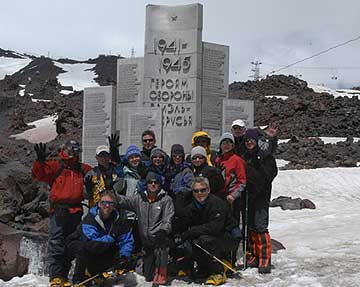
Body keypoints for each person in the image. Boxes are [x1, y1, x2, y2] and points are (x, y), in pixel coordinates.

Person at [32, 140, 92, 287]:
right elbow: (38, 175)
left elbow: (97, 174)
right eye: (70, 149)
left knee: (71, 243)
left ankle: (64, 275)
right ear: (64, 149)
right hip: (58, 210)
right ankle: (55, 276)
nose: (73, 153)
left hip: (76, 210)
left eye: (76, 150)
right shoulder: (56, 166)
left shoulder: (82, 168)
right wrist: (40, 161)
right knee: (56, 242)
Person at [175, 177, 239, 286]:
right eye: (196, 191)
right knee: (191, 241)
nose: (200, 193)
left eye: (203, 190)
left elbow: (214, 228)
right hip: (207, 237)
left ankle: (218, 272)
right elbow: (184, 223)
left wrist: (193, 231)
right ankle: (206, 267)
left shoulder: (217, 204)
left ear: (208, 190)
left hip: (227, 238)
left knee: (204, 240)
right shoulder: (192, 206)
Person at [116, 171, 175, 285]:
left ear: (159, 184)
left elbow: (168, 218)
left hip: (160, 240)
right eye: (150, 182)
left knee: (162, 250)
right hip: (147, 242)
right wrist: (113, 194)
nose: (153, 185)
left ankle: (162, 271)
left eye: (156, 182)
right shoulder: (139, 199)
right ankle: (148, 264)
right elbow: (125, 201)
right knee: (148, 276)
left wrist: (163, 230)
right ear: (146, 184)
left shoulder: (165, 199)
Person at [67, 190, 134, 285]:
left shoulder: (118, 219)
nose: (107, 206)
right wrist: (111, 237)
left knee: (118, 253)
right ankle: (79, 278)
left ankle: (96, 273)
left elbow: (126, 239)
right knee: (83, 249)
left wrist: (124, 255)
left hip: (100, 247)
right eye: (104, 203)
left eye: (110, 203)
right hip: (81, 245)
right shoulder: (90, 219)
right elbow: (92, 244)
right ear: (98, 204)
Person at [241, 129, 278, 274]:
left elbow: (271, 173)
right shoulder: (244, 156)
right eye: (247, 141)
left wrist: (259, 167)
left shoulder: (264, 156)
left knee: (260, 226)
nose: (249, 143)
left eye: (252, 140)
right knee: (250, 225)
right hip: (248, 196)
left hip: (261, 196)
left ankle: (264, 258)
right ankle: (253, 255)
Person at [167, 144, 194, 212]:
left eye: (180, 156)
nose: (177, 157)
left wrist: (178, 190)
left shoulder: (186, 170)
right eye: (175, 156)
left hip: (182, 201)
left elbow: (191, 186)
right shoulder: (169, 168)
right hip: (170, 201)